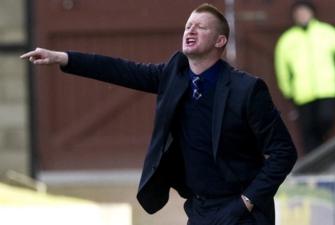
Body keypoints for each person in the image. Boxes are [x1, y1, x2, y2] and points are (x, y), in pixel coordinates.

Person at [22, 3, 297, 225]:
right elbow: (120, 69)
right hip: (200, 210)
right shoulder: (173, 75)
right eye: (188, 25)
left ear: (220, 40)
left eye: (200, 27)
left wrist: (246, 201)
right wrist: (64, 58)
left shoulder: (247, 89)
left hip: (242, 212)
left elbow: (284, 152)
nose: (190, 30)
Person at [274, 0, 335, 154]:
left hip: (327, 88)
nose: (302, 16)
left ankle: (322, 152)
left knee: (326, 119)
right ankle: (313, 165)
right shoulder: (287, 39)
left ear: (312, 13)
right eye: (298, 13)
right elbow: (282, 68)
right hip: (302, 92)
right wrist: (287, 89)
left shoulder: (327, 32)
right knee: (307, 130)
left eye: (304, 12)